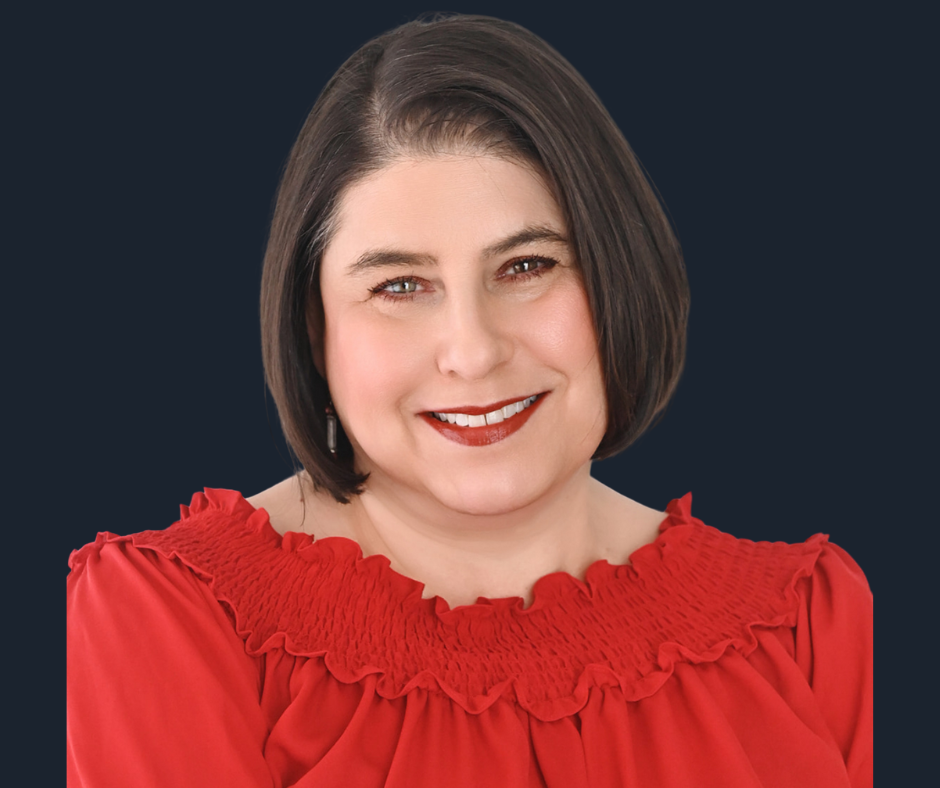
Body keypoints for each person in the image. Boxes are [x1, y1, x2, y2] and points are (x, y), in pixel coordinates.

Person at [66, 13, 873, 788]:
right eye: (400, 285)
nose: (474, 351)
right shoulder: (167, 616)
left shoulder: (813, 623)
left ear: (620, 277)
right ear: (315, 329)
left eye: (526, 267)